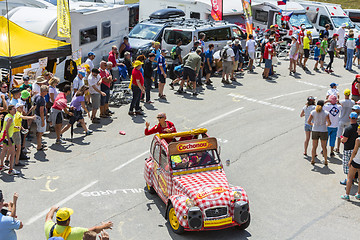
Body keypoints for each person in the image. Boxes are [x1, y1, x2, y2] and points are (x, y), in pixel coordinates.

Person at [44, 206, 113, 240]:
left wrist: (52, 209)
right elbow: (93, 230)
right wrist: (105, 226)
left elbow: (48, 218)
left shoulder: (49, 227)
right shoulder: (75, 232)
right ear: (69, 220)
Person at [308, 100, 331, 165]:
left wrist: (313, 124)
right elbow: (329, 123)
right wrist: (326, 125)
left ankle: (312, 159)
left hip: (315, 129)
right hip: (323, 130)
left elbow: (308, 121)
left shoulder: (313, 112)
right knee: (324, 147)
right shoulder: (326, 113)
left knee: (314, 146)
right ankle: (326, 160)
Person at [340, 126, 360, 201]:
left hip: (356, 161)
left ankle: (347, 195)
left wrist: (350, 161)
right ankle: (358, 194)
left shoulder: (358, 140)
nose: (357, 132)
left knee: (350, 177)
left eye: (358, 130)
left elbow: (354, 151)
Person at [340, 112, 358, 186]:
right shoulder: (359, 127)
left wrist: (341, 139)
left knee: (348, 165)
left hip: (348, 149)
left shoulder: (348, 128)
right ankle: (355, 178)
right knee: (356, 164)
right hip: (357, 149)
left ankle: (349, 179)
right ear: (357, 118)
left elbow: (344, 140)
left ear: (349, 118)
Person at [13, 103, 34, 167]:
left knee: (15, 147)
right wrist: (32, 117)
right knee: (18, 148)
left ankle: (14, 160)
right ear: (17, 108)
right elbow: (23, 117)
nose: (22, 109)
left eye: (22, 107)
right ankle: (16, 162)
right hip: (15, 132)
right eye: (21, 107)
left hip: (16, 131)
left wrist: (23, 128)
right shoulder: (18, 113)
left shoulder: (17, 113)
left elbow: (18, 122)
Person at [0, 105, 18, 175]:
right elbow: (6, 129)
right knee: (13, 153)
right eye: (13, 109)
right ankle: (10, 170)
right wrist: (9, 141)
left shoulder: (8, 116)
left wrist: (16, 126)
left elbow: (7, 126)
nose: (15, 110)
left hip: (4, 136)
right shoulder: (10, 118)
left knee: (4, 151)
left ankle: (1, 165)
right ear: (10, 110)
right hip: (8, 137)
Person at [336, 89, 355, 153]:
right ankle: (345, 147)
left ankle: (337, 148)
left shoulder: (342, 101)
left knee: (339, 135)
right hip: (348, 120)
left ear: (344, 94)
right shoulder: (352, 102)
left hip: (341, 119)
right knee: (346, 135)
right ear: (349, 94)